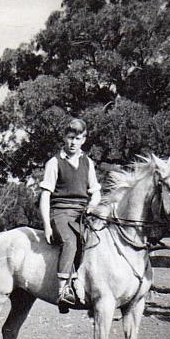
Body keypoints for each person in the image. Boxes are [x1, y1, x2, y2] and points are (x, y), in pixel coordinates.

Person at [39, 118, 101, 313]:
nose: (73, 142)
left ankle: (84, 283)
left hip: (82, 213)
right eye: (70, 137)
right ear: (65, 138)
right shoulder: (54, 162)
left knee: (96, 241)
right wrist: (47, 226)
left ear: (84, 139)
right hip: (61, 213)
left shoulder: (88, 162)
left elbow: (96, 191)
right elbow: (45, 195)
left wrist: (93, 204)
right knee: (70, 242)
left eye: (78, 138)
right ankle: (62, 290)